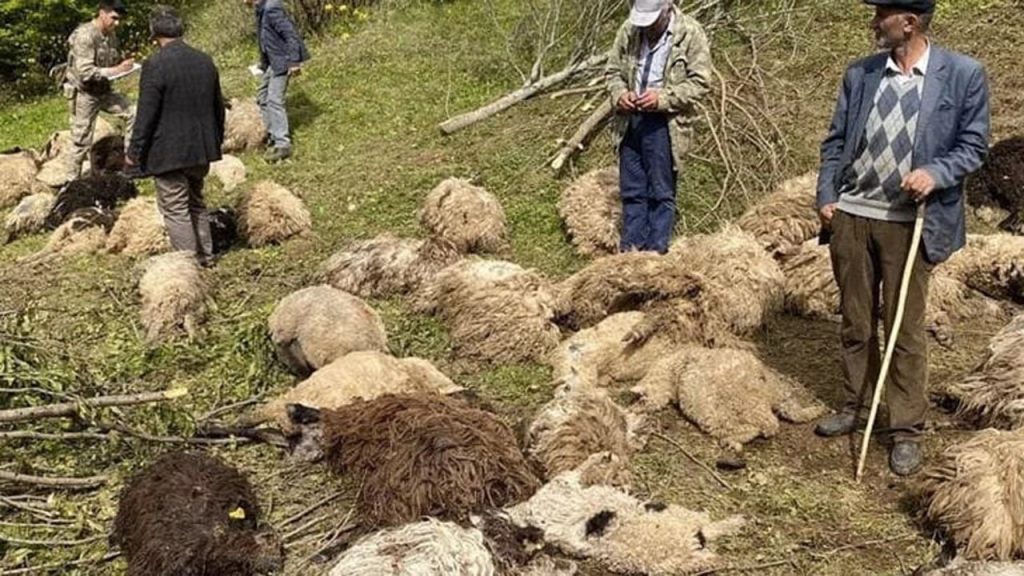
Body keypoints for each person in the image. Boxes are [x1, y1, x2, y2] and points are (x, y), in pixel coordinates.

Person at [814, 0, 989, 476]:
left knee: (903, 328)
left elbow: (974, 145)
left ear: (908, 22)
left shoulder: (962, 74)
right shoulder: (861, 75)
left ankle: (906, 428)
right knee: (854, 318)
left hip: (911, 223)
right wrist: (828, 195)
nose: (873, 22)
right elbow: (834, 143)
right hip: (852, 215)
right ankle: (855, 406)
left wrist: (936, 171)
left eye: (881, 15)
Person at [605, 0, 711, 254]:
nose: (648, 27)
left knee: (661, 192)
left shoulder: (690, 33)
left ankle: (656, 253)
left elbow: (700, 83)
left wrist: (662, 98)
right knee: (632, 190)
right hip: (630, 119)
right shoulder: (629, 30)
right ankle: (631, 251)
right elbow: (612, 72)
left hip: (664, 123)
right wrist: (620, 94)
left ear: (667, 8)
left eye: (652, 20)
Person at [127, 5, 226, 267]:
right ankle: (206, 255)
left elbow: (146, 114)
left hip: (169, 151)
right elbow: (218, 105)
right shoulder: (204, 60)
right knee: (196, 203)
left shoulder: (155, 65)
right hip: (201, 148)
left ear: (154, 33)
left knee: (175, 209)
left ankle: (187, 265)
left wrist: (134, 152)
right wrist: (216, 140)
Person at [64, 0, 137, 181]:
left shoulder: (111, 36)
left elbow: (110, 64)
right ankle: (71, 182)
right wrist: (117, 70)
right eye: (114, 18)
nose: (117, 23)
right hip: (84, 93)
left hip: (104, 91)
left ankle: (131, 163)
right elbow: (85, 72)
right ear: (102, 12)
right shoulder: (85, 36)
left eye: (119, 19)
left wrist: (126, 66)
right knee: (81, 139)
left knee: (134, 111)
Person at [246, 0, 310, 163]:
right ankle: (272, 134)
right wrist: (263, 64)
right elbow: (266, 39)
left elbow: (290, 34)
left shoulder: (272, 8)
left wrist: (294, 62)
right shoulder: (261, 9)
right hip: (273, 62)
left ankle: (283, 144)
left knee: (274, 100)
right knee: (262, 97)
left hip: (283, 61)